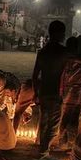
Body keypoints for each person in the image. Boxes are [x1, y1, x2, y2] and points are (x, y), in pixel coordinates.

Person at [32, 20, 69, 152]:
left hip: (43, 93)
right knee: (53, 125)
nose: (64, 36)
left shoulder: (42, 52)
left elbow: (35, 75)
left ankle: (43, 148)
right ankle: (44, 151)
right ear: (58, 34)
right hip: (55, 94)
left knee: (44, 122)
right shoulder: (64, 52)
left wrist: (36, 93)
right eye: (63, 33)